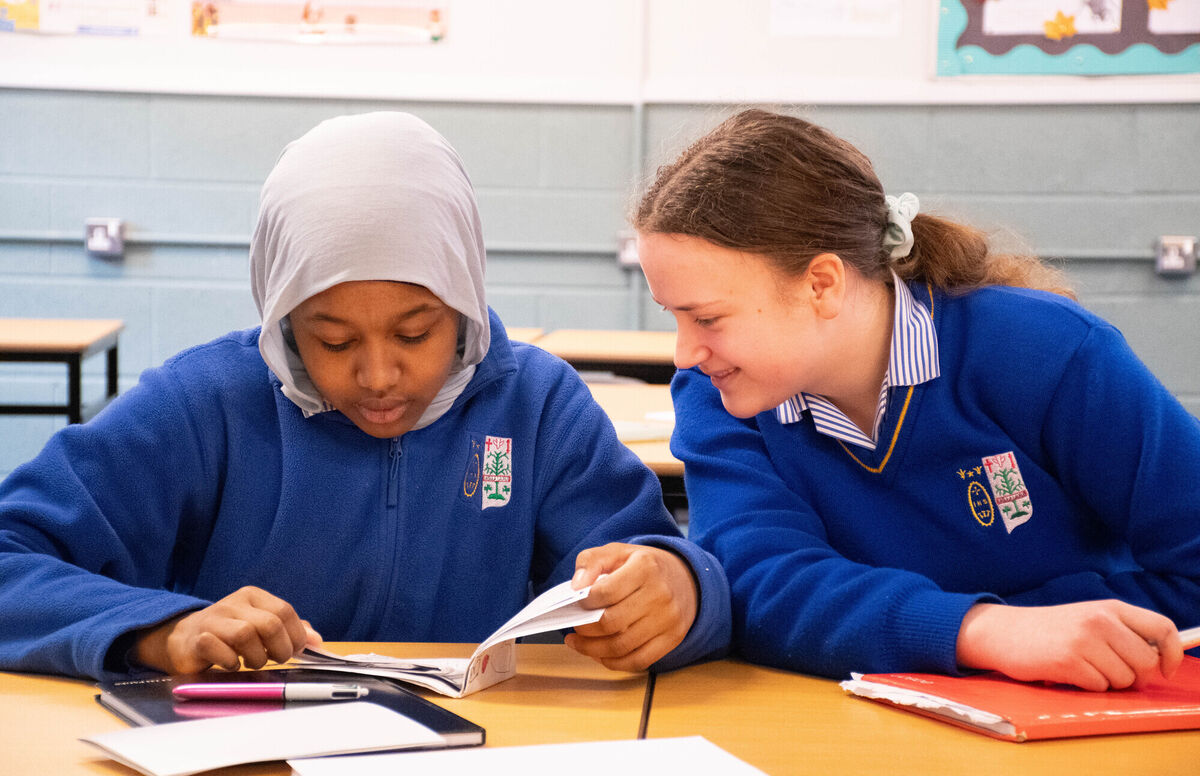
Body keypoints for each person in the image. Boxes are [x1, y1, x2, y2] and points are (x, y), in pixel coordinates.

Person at [0, 112, 730, 681]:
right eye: (335, 342)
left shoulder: (535, 408)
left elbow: (651, 564)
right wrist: (159, 630)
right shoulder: (206, 405)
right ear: (284, 318)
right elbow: (12, 557)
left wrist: (679, 589)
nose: (379, 377)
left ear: (466, 305)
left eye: (416, 334)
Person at [632, 108, 1200, 692]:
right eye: (674, 317)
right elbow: (758, 584)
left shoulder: (1046, 352)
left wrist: (1064, 634)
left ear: (821, 284)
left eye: (706, 317)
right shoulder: (723, 392)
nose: (683, 353)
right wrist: (987, 630)